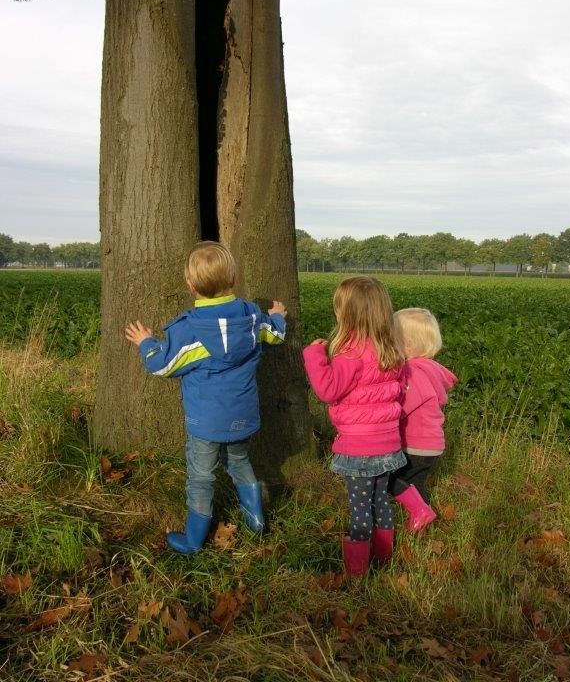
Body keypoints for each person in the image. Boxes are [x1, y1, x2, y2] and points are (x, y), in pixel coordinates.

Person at [125, 241, 287, 554]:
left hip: (205, 423)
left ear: (190, 285)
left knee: (201, 477)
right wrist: (277, 315)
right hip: (243, 416)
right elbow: (276, 335)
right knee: (239, 461)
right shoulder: (253, 318)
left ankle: (193, 540)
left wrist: (147, 342)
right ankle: (256, 521)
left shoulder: (188, 330)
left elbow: (162, 366)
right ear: (234, 279)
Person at [302, 276, 406, 578]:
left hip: (359, 448)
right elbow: (397, 392)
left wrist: (315, 355)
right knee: (381, 501)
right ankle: (384, 560)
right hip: (388, 444)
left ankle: (358, 574)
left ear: (345, 314)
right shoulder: (392, 352)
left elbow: (327, 390)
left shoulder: (350, 355)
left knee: (360, 509)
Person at [388, 308, 458, 532]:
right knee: (416, 484)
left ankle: (420, 513)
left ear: (407, 345)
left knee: (386, 478)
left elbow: (404, 405)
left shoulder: (413, 372)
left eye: (392, 339)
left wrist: (383, 413)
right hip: (430, 443)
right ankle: (421, 519)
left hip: (414, 442)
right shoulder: (431, 369)